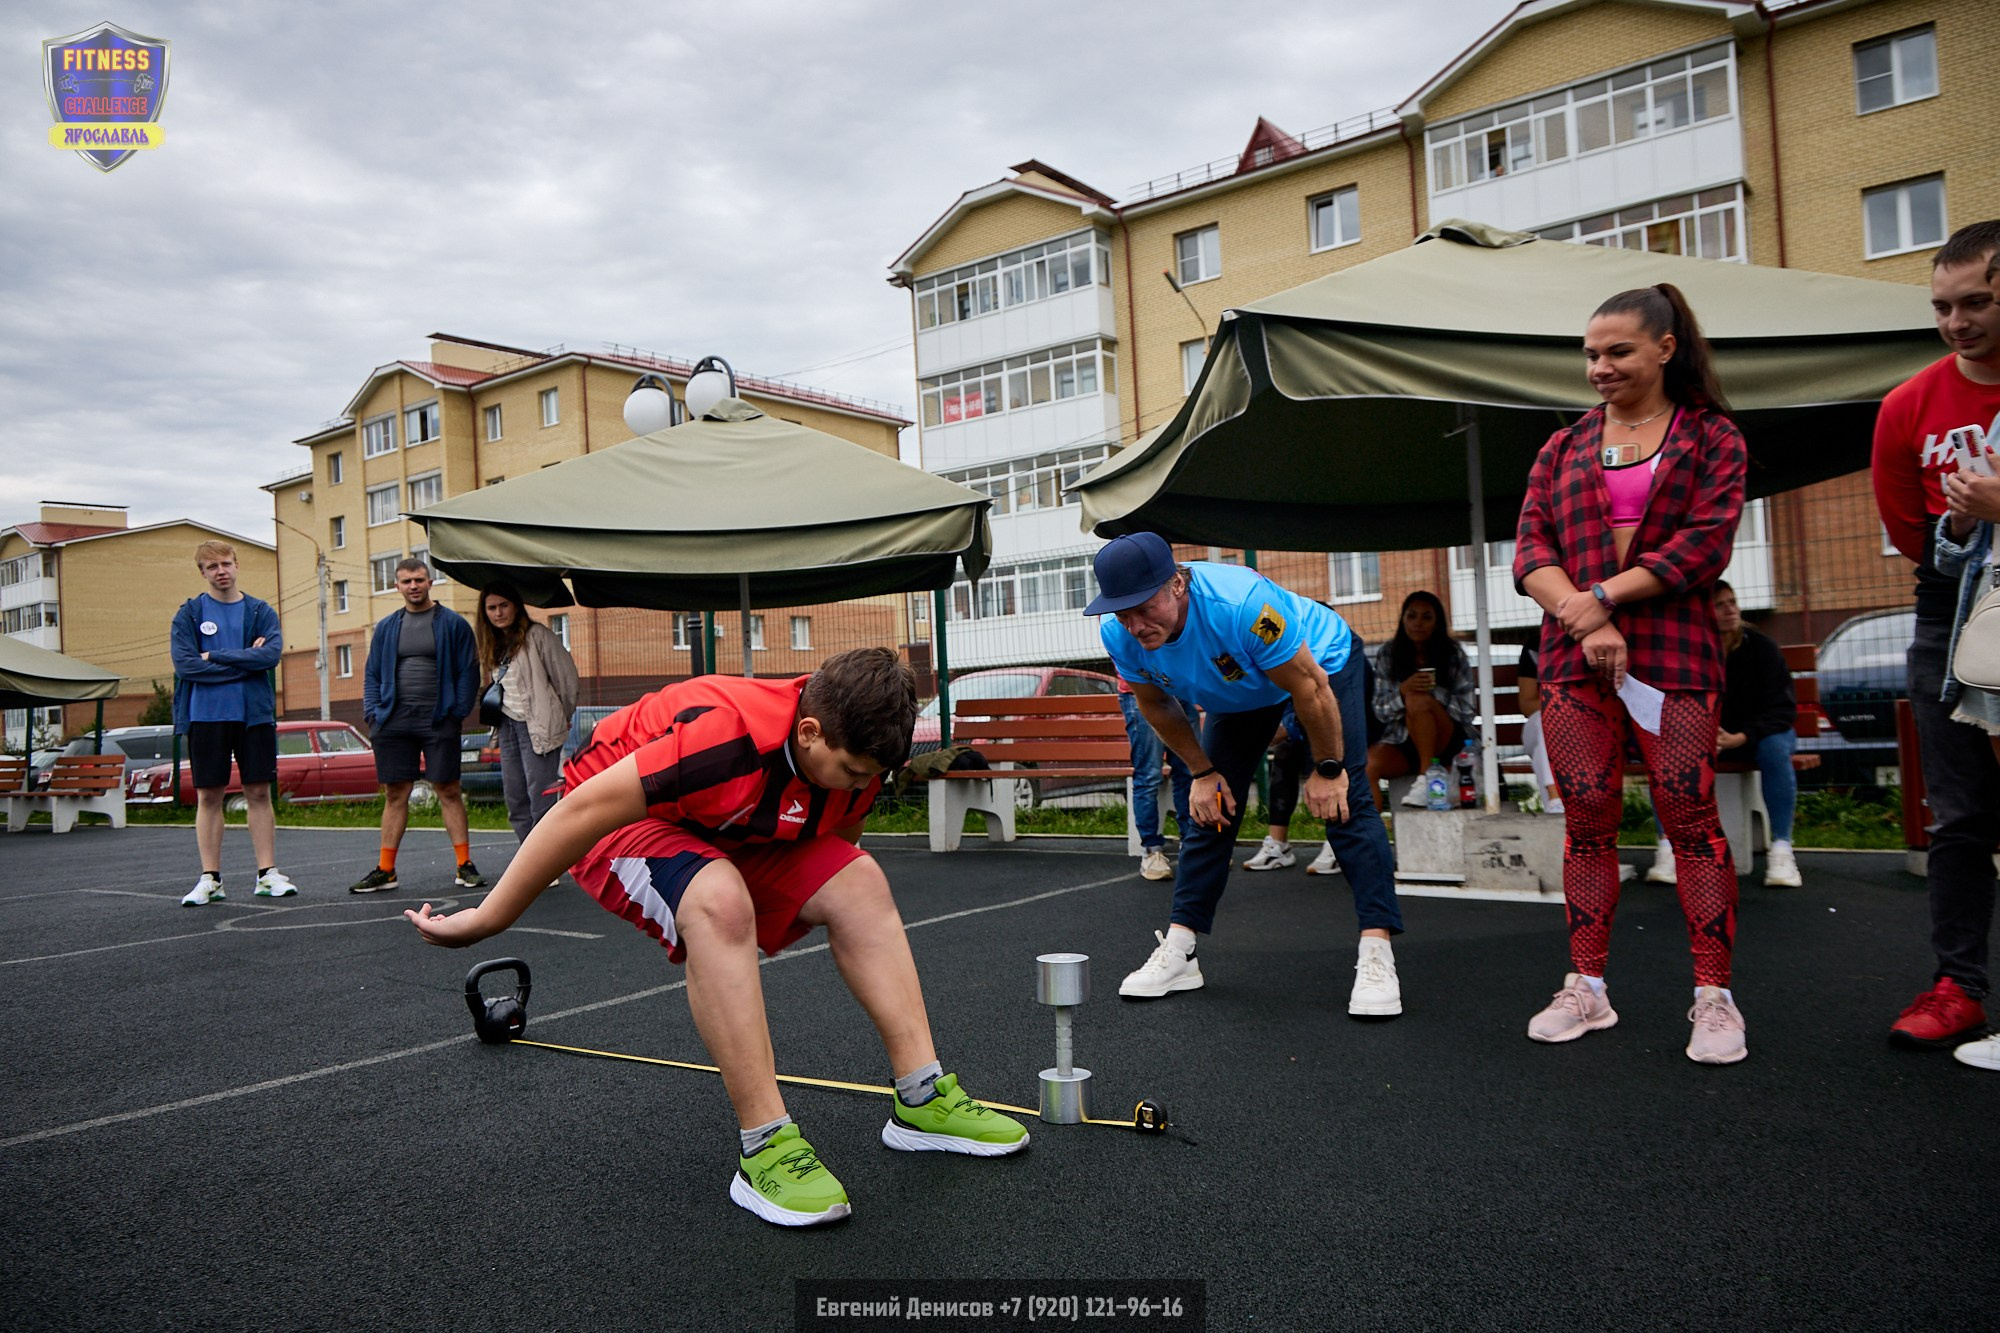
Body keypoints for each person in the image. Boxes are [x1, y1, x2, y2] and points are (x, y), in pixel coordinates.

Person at [402, 648, 1027, 1226]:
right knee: (720, 901)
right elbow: (580, 813)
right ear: (809, 733)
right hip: (618, 823)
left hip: (719, 826)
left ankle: (923, 1098)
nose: (862, 786)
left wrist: (809, 905)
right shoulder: (726, 738)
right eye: (853, 771)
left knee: (860, 881)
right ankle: (766, 1148)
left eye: (872, 776)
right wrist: (485, 920)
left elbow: (835, 852)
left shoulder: (852, 761)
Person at [1512, 282, 1748, 1065]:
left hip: (1676, 652)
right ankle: (1587, 987)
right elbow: (1530, 552)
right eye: (1590, 354)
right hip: (1573, 660)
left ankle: (1713, 997)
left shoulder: (1712, 437)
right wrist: (1589, 616)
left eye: (1617, 351)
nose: (1600, 368)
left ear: (1665, 348)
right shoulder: (1563, 446)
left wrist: (1603, 597)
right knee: (1587, 820)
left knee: (1689, 817)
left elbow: (1705, 545)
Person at [1083, 533, 1403, 1016]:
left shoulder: (1241, 605)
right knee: (1209, 810)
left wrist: (1328, 768)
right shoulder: (1120, 634)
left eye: (1144, 608)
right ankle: (1181, 951)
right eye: (1122, 612)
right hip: (1242, 694)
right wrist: (1203, 771)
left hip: (1320, 666)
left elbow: (1309, 687)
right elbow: (1156, 705)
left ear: (1176, 584)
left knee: (1345, 798)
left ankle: (1378, 953)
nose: (1135, 624)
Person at [1877, 219, 2000, 1063]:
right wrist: (1964, 523)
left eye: (1978, 301)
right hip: (1951, 618)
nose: (1958, 322)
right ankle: (1958, 986)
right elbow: (1912, 535)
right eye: (1943, 306)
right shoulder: (1907, 406)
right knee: (1960, 814)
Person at [1645, 580, 1800, 888]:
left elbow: (1782, 711)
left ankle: (1782, 849)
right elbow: (1672, 706)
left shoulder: (1761, 648)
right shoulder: (1688, 653)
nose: (1731, 609)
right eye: (1720, 604)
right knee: (1663, 754)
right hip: (1706, 736)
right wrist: (1695, 734)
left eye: (1732, 601)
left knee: (1774, 749)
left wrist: (1742, 736)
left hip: (1761, 734)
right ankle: (1669, 847)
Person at [169, 540, 295, 905]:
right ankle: (211, 878)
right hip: (206, 716)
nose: (221, 571)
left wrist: (218, 656)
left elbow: (270, 656)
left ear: (237, 565)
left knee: (258, 792)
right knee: (210, 795)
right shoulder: (189, 615)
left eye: (226, 563)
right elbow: (187, 666)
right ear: (203, 573)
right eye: (212, 567)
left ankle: (267, 874)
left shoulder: (260, 612)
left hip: (253, 715)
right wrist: (245, 661)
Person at [351, 558, 482, 894]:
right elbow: (372, 675)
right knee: (396, 794)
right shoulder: (386, 627)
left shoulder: (453, 625)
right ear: (397, 586)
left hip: (438, 718)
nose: (413, 586)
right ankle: (386, 870)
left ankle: (464, 865)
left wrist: (457, 712)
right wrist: (373, 714)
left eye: (419, 580)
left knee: (448, 790)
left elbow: (469, 671)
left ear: (430, 582)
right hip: (393, 721)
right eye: (406, 581)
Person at [475, 582, 579, 845]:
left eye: (503, 606)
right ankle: (529, 854)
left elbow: (566, 679)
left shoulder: (537, 636)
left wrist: (561, 715)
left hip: (538, 726)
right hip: (507, 726)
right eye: (491, 608)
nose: (498, 613)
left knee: (540, 796)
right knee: (515, 796)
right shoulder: (492, 643)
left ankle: (547, 858)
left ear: (516, 606)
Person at [1366, 590, 1477, 807]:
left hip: (1448, 739)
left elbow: (1467, 712)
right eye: (1412, 616)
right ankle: (1367, 834)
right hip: (1403, 740)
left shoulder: (1453, 653)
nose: (1418, 623)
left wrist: (1434, 692)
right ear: (1403, 619)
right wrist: (1402, 692)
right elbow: (1380, 710)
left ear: (1437, 623)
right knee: (1367, 765)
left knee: (1419, 699)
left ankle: (1427, 777)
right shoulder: (1389, 653)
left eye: (1427, 617)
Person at [1242, 704, 1339, 875]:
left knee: (1322, 759)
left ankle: (1340, 841)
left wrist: (1288, 728)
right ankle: (1279, 845)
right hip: (1305, 719)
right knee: (1285, 752)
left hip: (1340, 722)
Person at [1118, 677, 1196, 880]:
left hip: (1179, 689)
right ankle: (1152, 851)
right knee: (1149, 774)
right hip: (1141, 690)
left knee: (1191, 770)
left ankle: (1192, 845)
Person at [1515, 642, 1563, 815]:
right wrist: (1563, 706)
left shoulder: (1597, 641)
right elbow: (1527, 704)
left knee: (1542, 750)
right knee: (1546, 720)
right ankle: (1555, 797)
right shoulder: (1535, 647)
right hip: (1545, 725)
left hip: (1589, 729)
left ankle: (1554, 806)